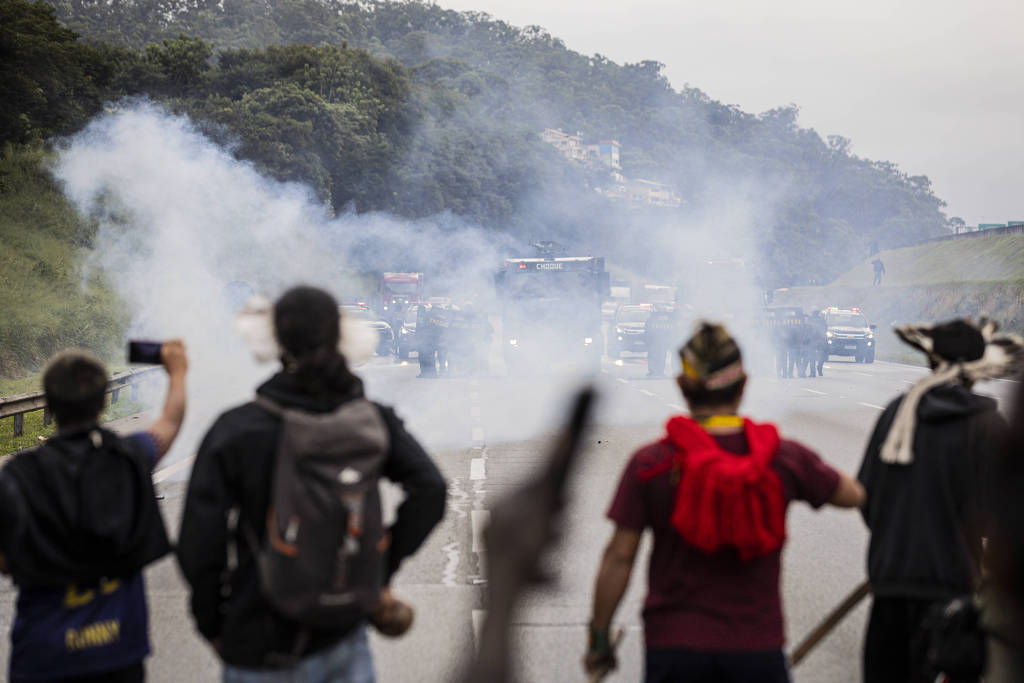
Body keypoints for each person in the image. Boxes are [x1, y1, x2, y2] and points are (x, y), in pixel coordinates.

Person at [177, 286, 446, 682]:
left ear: (277, 340)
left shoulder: (238, 429)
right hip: (343, 634)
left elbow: (200, 544)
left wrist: (212, 623)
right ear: (339, 336)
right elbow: (431, 489)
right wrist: (379, 573)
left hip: (259, 640)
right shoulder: (370, 419)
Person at [584, 322, 864, 682]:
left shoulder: (652, 462)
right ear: (743, 384)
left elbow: (619, 557)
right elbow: (853, 495)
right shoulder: (782, 458)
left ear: (682, 386)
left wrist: (599, 638)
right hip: (756, 651)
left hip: (674, 652)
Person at [0, 342, 188, 683]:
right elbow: (170, 422)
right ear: (104, 402)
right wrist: (177, 372)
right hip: (117, 653)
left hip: (43, 657)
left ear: (50, 406)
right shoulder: (129, 457)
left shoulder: (18, 476)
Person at [857, 318, 1018, 683]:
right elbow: (1004, 518)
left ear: (931, 360)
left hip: (890, 585)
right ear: (978, 368)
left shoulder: (899, 411)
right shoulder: (988, 425)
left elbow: (867, 498)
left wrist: (898, 544)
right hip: (952, 593)